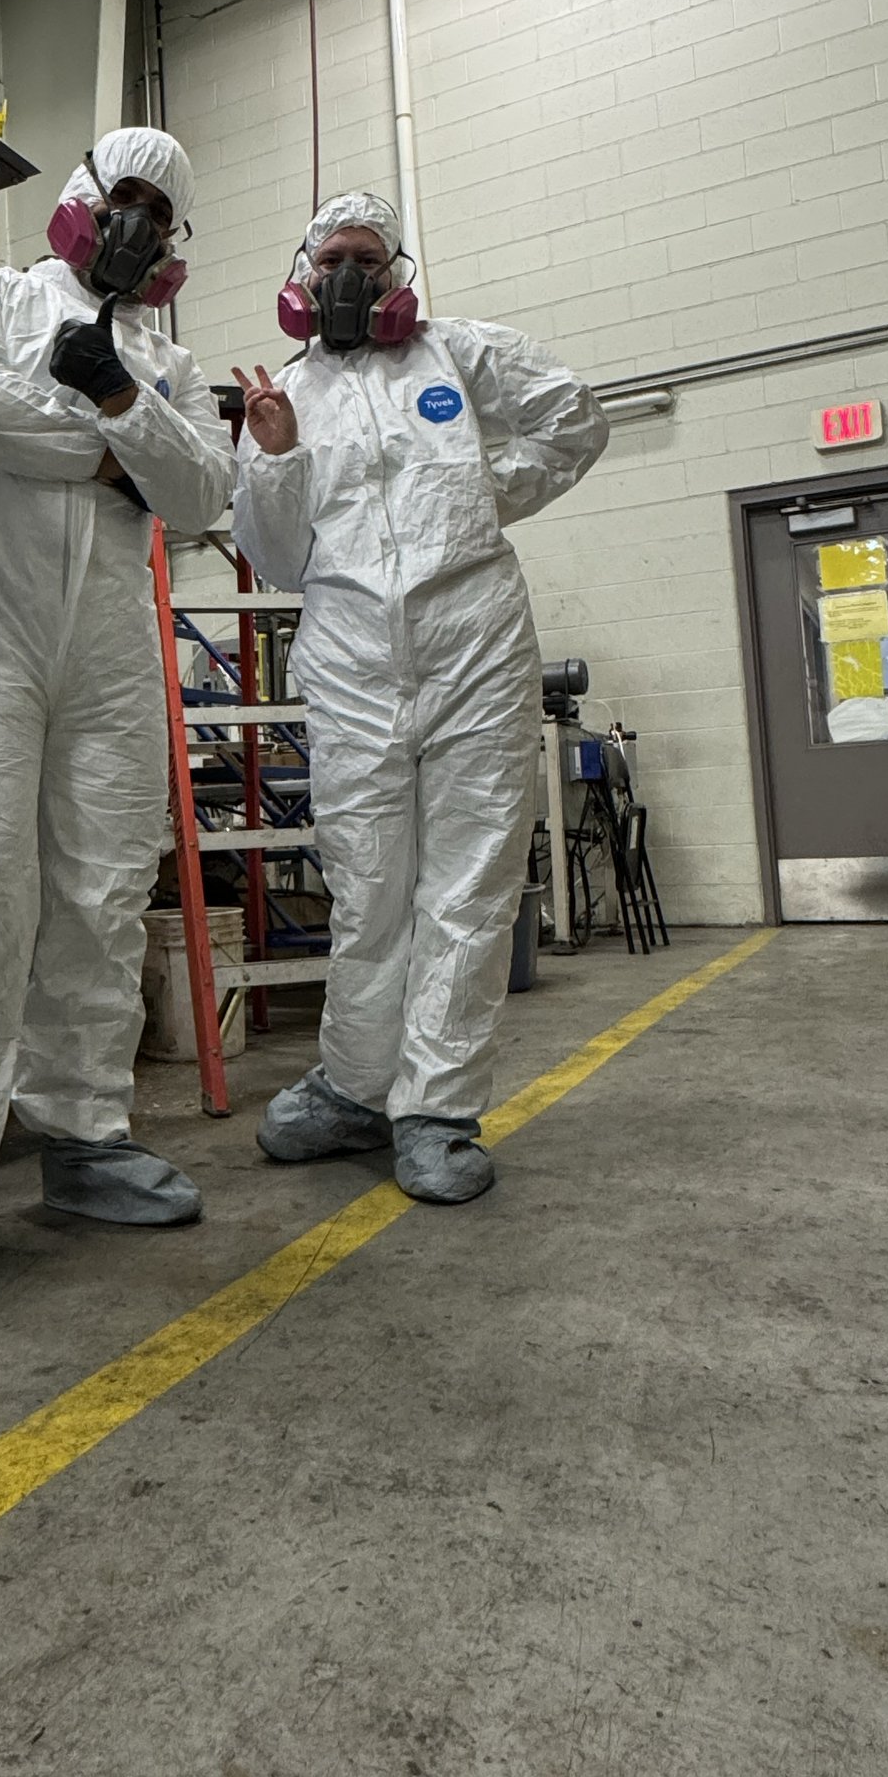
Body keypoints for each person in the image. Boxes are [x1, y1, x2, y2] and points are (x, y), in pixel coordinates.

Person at [0, 127, 236, 1298]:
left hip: (109, 643)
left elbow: (202, 492)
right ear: (80, 199)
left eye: (157, 212)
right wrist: (111, 452)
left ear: (173, 245)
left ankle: (85, 1134)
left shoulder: (165, 363)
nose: (134, 223)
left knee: (101, 884)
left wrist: (123, 396)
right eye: (120, 197)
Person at [231, 191, 606, 1207]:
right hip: (350, 662)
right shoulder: (284, 395)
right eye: (331, 259)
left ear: (396, 275)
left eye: (366, 257)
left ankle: (436, 1107)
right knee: (368, 888)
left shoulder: (457, 356)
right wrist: (272, 458)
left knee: (468, 885)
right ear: (302, 278)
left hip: (472, 647)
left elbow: (575, 417)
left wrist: (490, 492)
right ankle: (356, 1087)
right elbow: (273, 555)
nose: (347, 274)